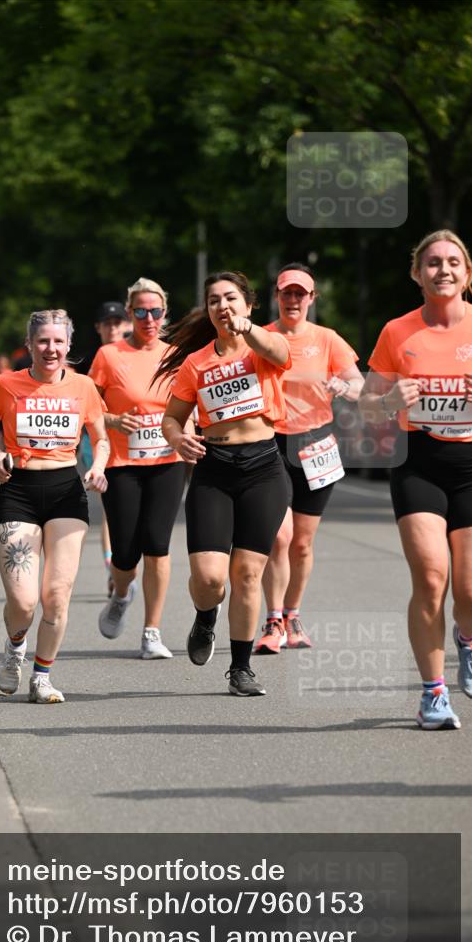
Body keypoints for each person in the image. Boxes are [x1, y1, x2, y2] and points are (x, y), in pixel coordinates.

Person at [359, 230, 472, 730]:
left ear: (468, 273)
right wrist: (390, 403)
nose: (444, 270)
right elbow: (366, 408)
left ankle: (469, 638)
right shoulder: (397, 333)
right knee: (431, 577)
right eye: (433, 262)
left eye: (454, 262)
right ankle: (433, 694)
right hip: (419, 463)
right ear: (417, 274)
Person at [158, 271, 291, 696]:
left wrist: (248, 330)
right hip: (214, 468)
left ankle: (240, 668)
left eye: (230, 298)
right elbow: (171, 419)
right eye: (214, 300)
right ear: (208, 310)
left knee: (248, 574)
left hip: (263, 468)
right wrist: (178, 439)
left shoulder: (264, 347)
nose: (223, 306)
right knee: (211, 579)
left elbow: (281, 351)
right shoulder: (196, 363)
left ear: (248, 305)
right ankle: (205, 616)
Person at [0, 309, 109, 704]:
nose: (51, 349)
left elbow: (100, 438)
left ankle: (42, 676)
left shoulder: (84, 387)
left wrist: (98, 467)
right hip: (19, 489)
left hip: (67, 489)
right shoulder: (7, 384)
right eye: (43, 341)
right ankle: (16, 646)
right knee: (23, 600)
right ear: (30, 344)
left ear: (69, 345)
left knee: (56, 595)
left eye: (58, 342)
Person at [255, 264, 364, 653]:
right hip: (270, 442)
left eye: (301, 293)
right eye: (287, 293)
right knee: (279, 537)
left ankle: (292, 614)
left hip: (316, 444)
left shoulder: (327, 339)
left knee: (302, 543)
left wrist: (343, 385)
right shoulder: (263, 336)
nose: (293, 300)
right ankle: (272, 620)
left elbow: (358, 384)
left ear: (312, 299)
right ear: (277, 296)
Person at [90, 278, 187, 660]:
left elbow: (187, 407)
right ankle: (120, 594)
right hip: (123, 463)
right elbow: (88, 407)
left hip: (167, 461)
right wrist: (113, 420)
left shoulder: (177, 356)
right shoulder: (109, 356)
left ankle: (152, 631)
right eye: (141, 312)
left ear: (165, 314)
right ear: (130, 314)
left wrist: (188, 440)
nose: (149, 318)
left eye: (156, 311)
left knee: (158, 545)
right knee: (126, 555)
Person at [77, 301, 129, 590]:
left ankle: (124, 563)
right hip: (97, 442)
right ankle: (113, 566)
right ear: (98, 328)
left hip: (135, 444)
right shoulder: (87, 362)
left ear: (127, 324)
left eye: (118, 322)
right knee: (111, 506)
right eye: (107, 323)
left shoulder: (137, 355)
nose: (113, 328)